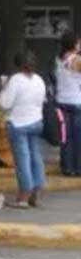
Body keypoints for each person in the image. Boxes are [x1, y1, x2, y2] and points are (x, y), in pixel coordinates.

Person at [0, 50, 47, 209]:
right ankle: (36, 194)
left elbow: (4, 104)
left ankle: (23, 198)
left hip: (19, 124)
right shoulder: (39, 79)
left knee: (23, 160)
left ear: (18, 65)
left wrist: (4, 88)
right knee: (36, 157)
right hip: (36, 122)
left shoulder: (16, 80)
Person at [54, 31, 81, 176]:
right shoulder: (77, 60)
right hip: (76, 103)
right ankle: (78, 167)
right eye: (78, 42)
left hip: (61, 103)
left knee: (65, 137)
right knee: (78, 136)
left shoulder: (58, 59)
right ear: (73, 44)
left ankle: (67, 167)